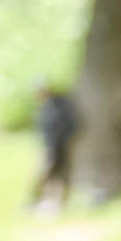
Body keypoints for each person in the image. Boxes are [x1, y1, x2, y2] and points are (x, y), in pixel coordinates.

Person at [30, 79, 77, 212]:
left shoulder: (59, 106)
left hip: (59, 145)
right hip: (48, 145)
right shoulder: (45, 107)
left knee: (55, 172)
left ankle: (56, 201)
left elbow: (69, 126)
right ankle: (41, 199)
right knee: (45, 172)